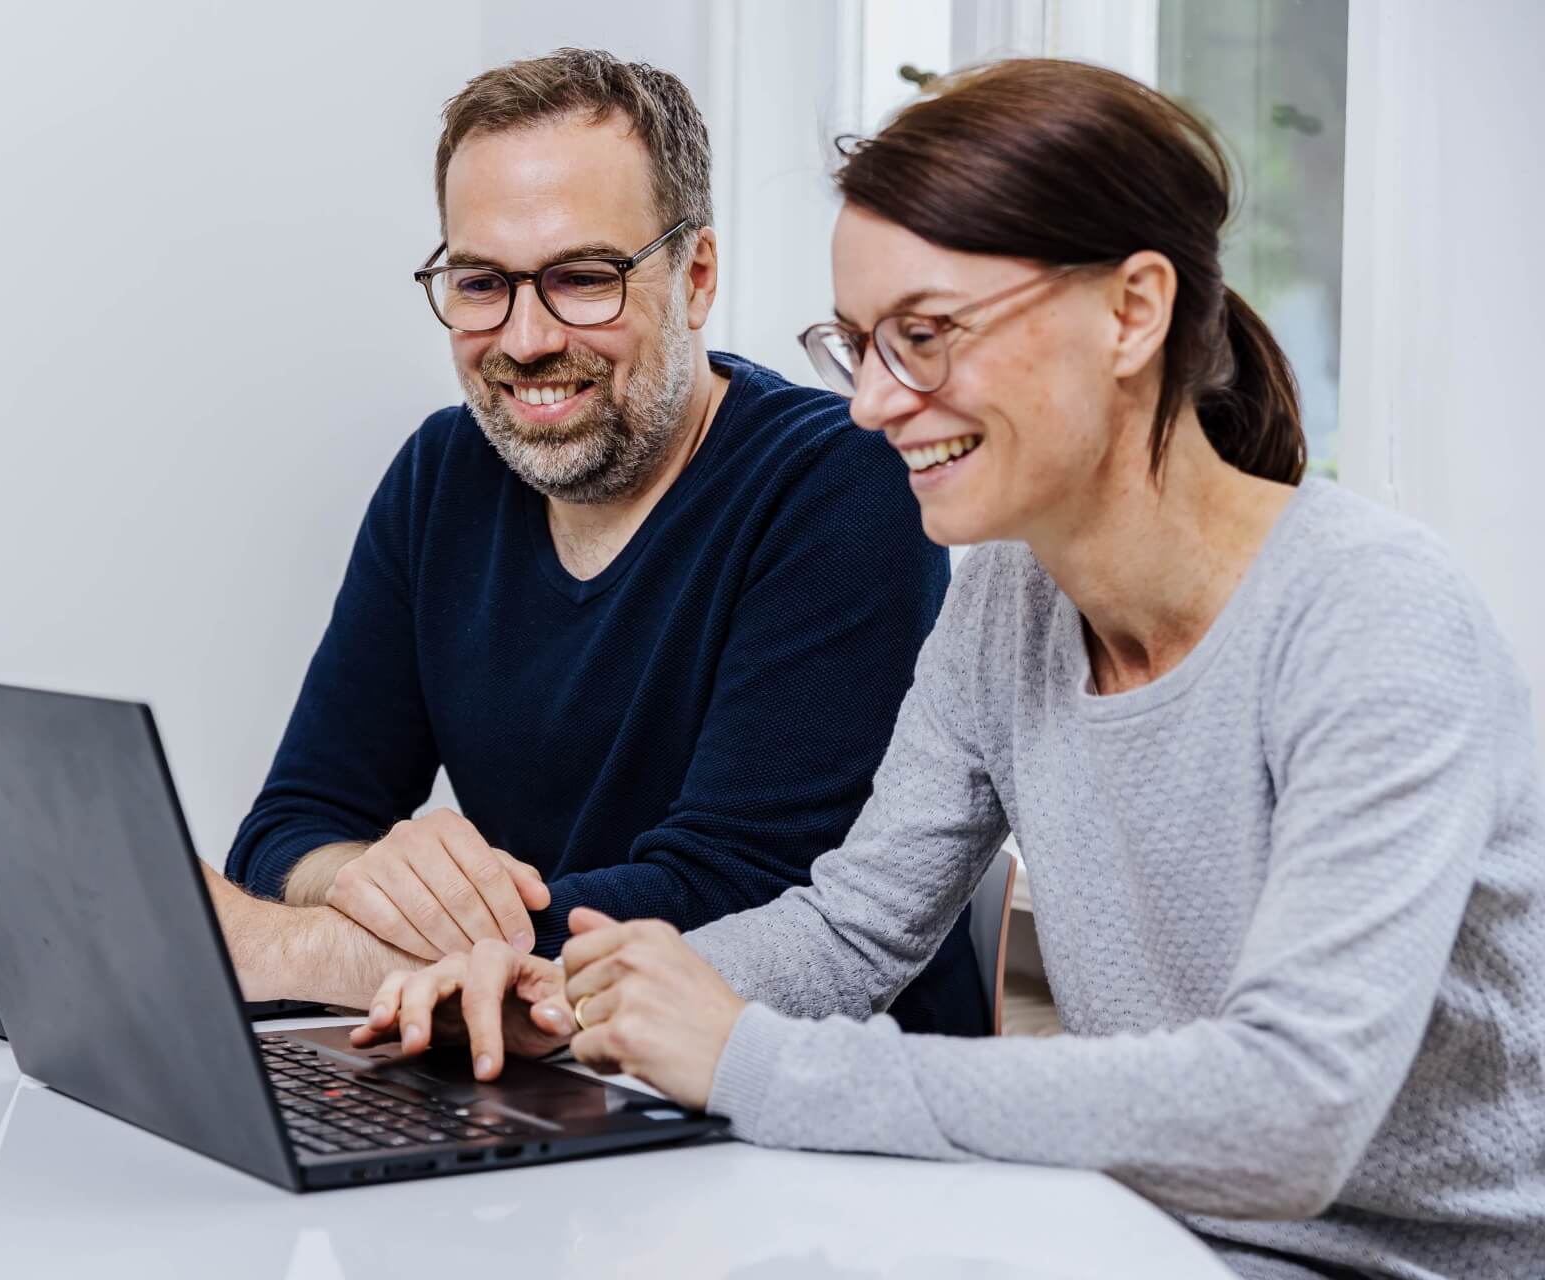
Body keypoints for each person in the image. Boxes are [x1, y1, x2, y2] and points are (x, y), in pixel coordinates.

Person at [352, 59, 1545, 1279]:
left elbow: (1290, 1114)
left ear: (1134, 311)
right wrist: (570, 996)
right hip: (1141, 1239)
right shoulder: (1010, 605)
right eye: (859, 345)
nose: (873, 404)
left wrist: (751, 1058)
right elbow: (852, 929)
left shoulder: (1375, 617)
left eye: (924, 337)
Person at [202, 48, 983, 1030]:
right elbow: (289, 829)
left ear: (696, 278)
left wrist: (297, 947)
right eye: (481, 282)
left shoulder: (843, 482)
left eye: (582, 278)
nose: (525, 339)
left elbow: (735, 892)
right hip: (539, 1060)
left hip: (785, 1089)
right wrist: (373, 877)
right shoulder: (441, 474)